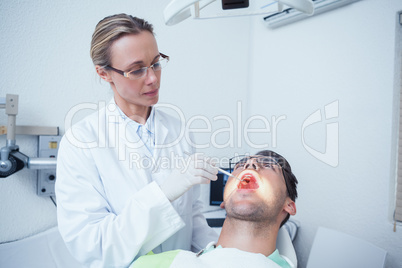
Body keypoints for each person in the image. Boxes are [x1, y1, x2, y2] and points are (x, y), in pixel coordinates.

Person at [55, 14, 219, 268]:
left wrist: (220, 253)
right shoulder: (80, 142)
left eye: (156, 63)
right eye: (137, 70)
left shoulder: (179, 130)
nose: (152, 78)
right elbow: (94, 245)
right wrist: (163, 194)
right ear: (104, 74)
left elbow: (192, 216)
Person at [131, 150, 298, 267]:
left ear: (289, 206)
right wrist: (162, 194)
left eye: (268, 165)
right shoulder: (158, 263)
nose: (250, 164)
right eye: (241, 165)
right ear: (224, 202)